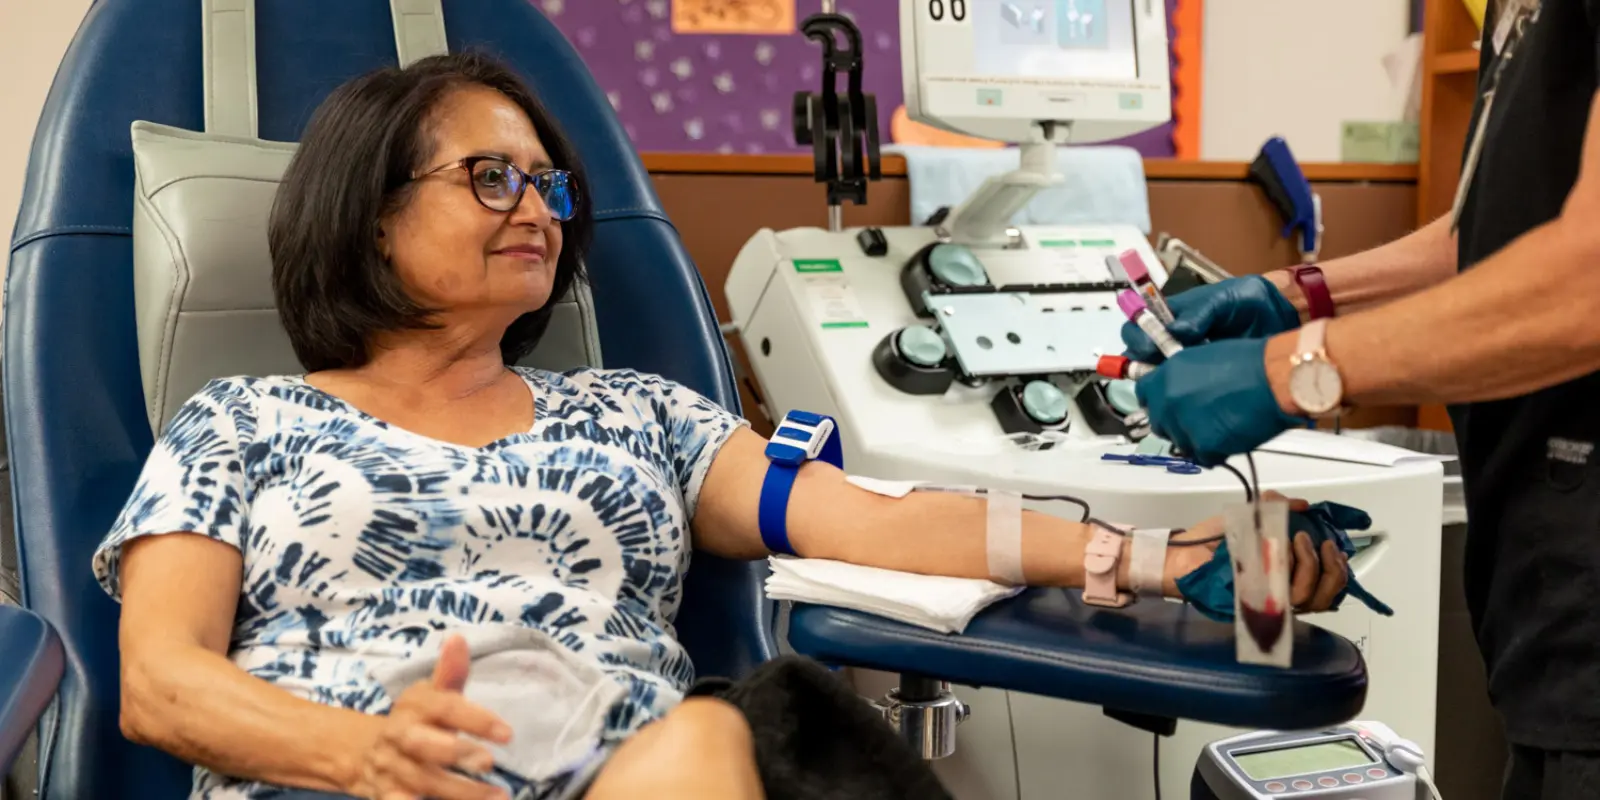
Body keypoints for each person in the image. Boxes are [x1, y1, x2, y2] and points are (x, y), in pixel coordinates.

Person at [94, 52, 1347, 800]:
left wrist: (1143, 554)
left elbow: (884, 524)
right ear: (366, 213)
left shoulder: (635, 413)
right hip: (337, 773)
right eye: (490, 176)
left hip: (620, 777)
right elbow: (159, 680)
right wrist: (369, 753)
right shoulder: (242, 421)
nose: (537, 205)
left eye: (550, 182)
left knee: (703, 736)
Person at [1122, 3, 1600, 797]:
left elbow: (1584, 276)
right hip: (1544, 614)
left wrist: (1294, 371)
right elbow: (1495, 232)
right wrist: (1300, 293)